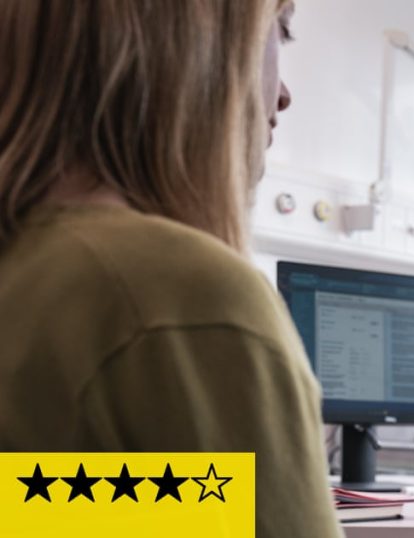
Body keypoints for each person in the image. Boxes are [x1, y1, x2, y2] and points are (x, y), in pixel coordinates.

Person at [0, 1, 341, 536]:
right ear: (199, 47)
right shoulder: (181, 298)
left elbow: (46, 507)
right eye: (280, 31)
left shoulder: (30, 269)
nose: (283, 95)